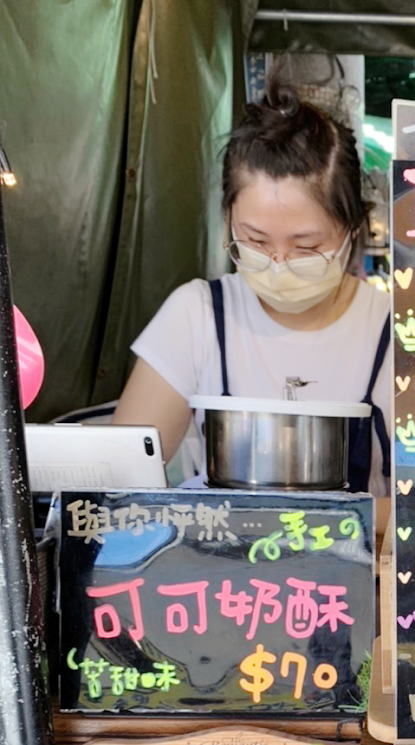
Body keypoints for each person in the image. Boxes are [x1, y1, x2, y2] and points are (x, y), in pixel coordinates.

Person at [112, 72, 391, 497]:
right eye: (256, 241)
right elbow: (119, 485)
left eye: (306, 247)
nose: (278, 265)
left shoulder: (399, 331)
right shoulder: (196, 316)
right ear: (228, 220)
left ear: (352, 229)